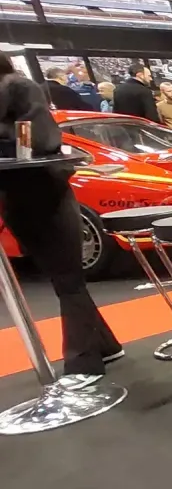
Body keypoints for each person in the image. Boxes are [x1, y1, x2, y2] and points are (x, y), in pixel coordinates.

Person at [0, 55, 120, 380]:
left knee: (66, 279)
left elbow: (37, 140)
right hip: (28, 193)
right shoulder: (16, 88)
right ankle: (97, 352)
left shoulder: (19, 88)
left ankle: (85, 361)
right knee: (65, 279)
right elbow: (35, 141)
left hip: (34, 192)